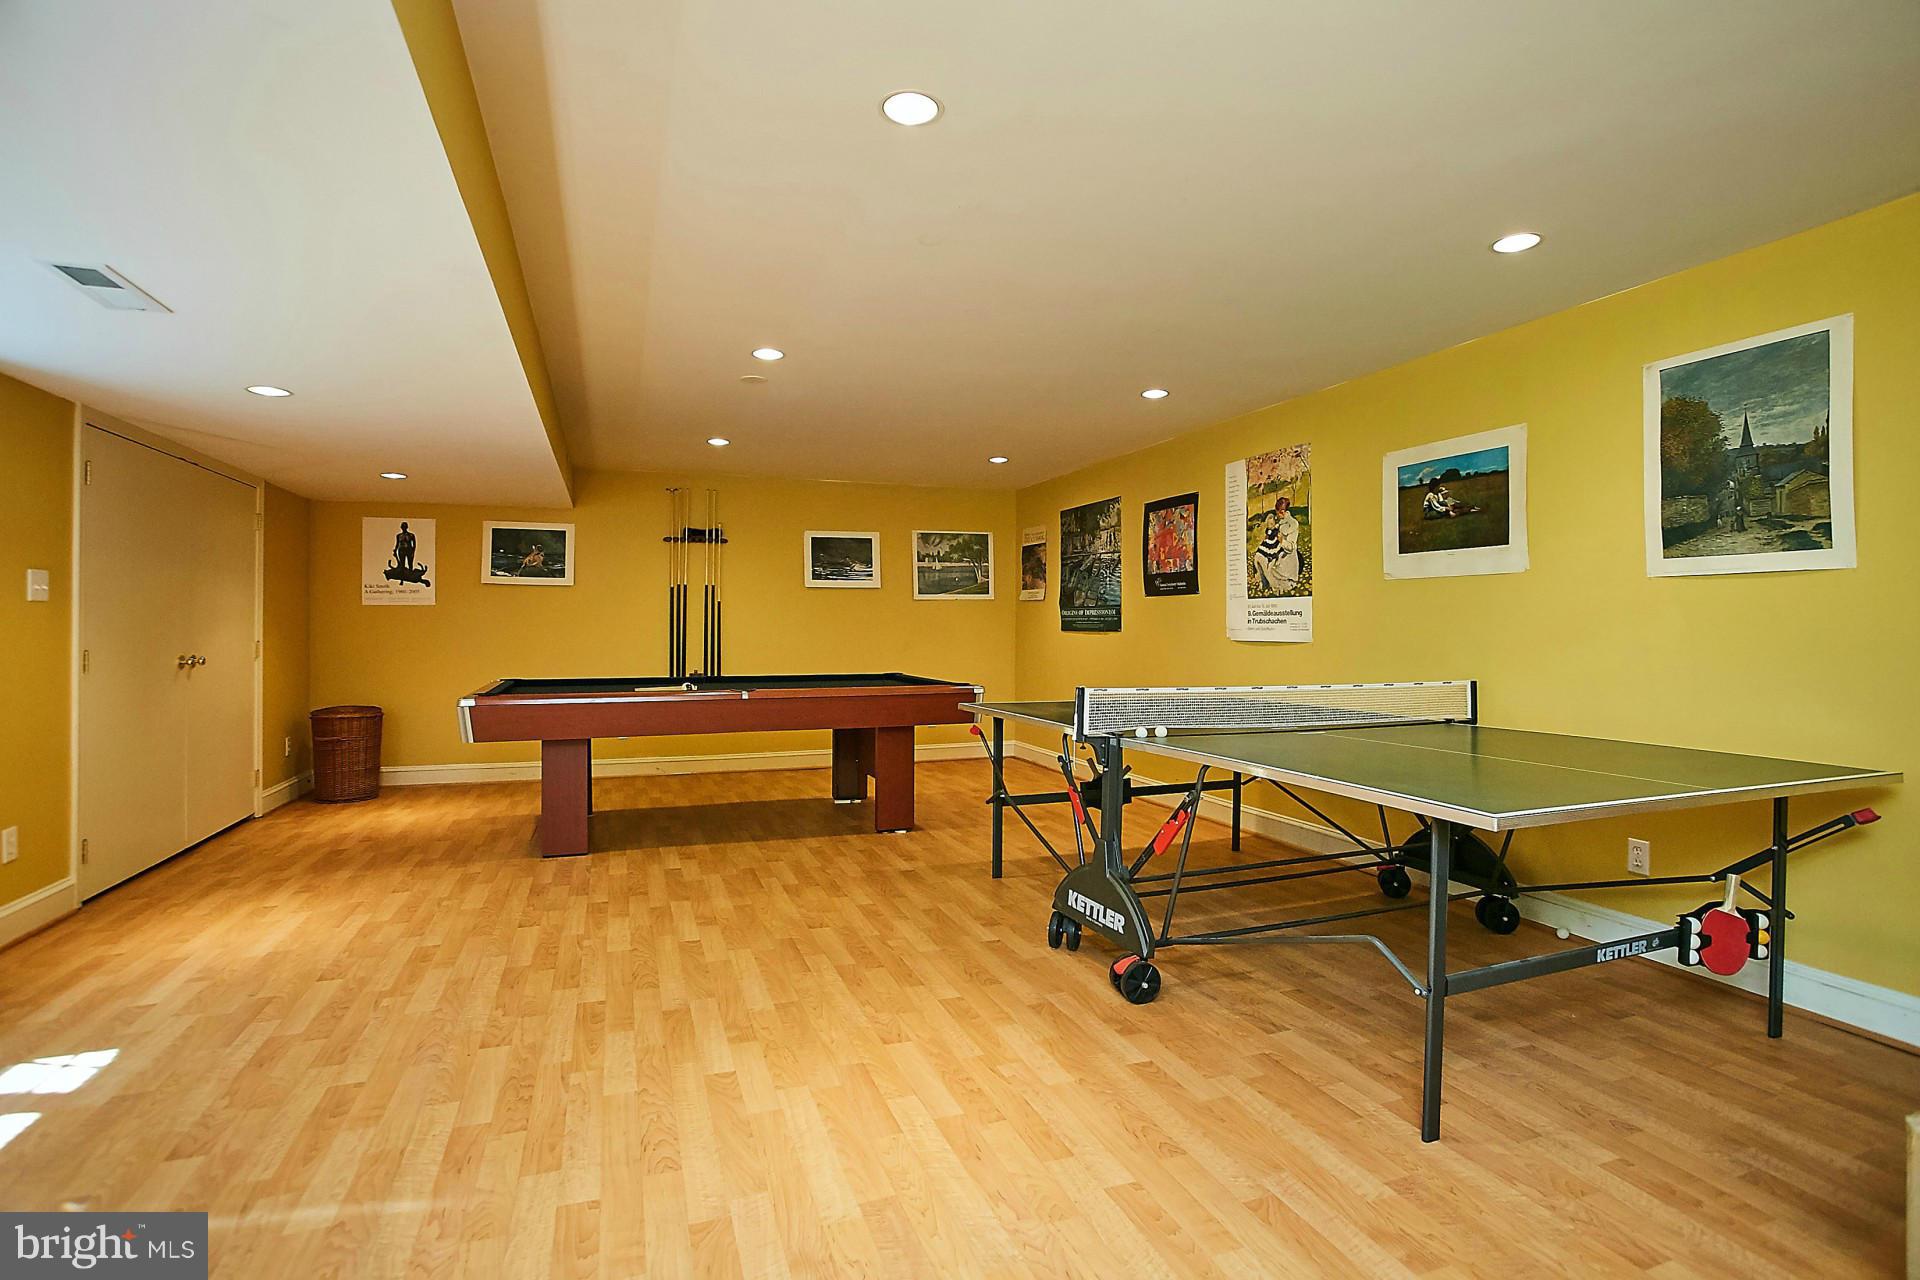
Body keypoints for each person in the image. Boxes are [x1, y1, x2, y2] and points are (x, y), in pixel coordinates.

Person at [1252, 498, 1300, 593]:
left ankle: (1274, 587)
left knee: (1269, 569)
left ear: (1282, 512)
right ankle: (1265, 583)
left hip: (1286, 560)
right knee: (1258, 557)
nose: (1277, 515)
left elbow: (1291, 548)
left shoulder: (1293, 524)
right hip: (1276, 553)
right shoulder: (1280, 522)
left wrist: (1282, 541)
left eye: (1277, 512)